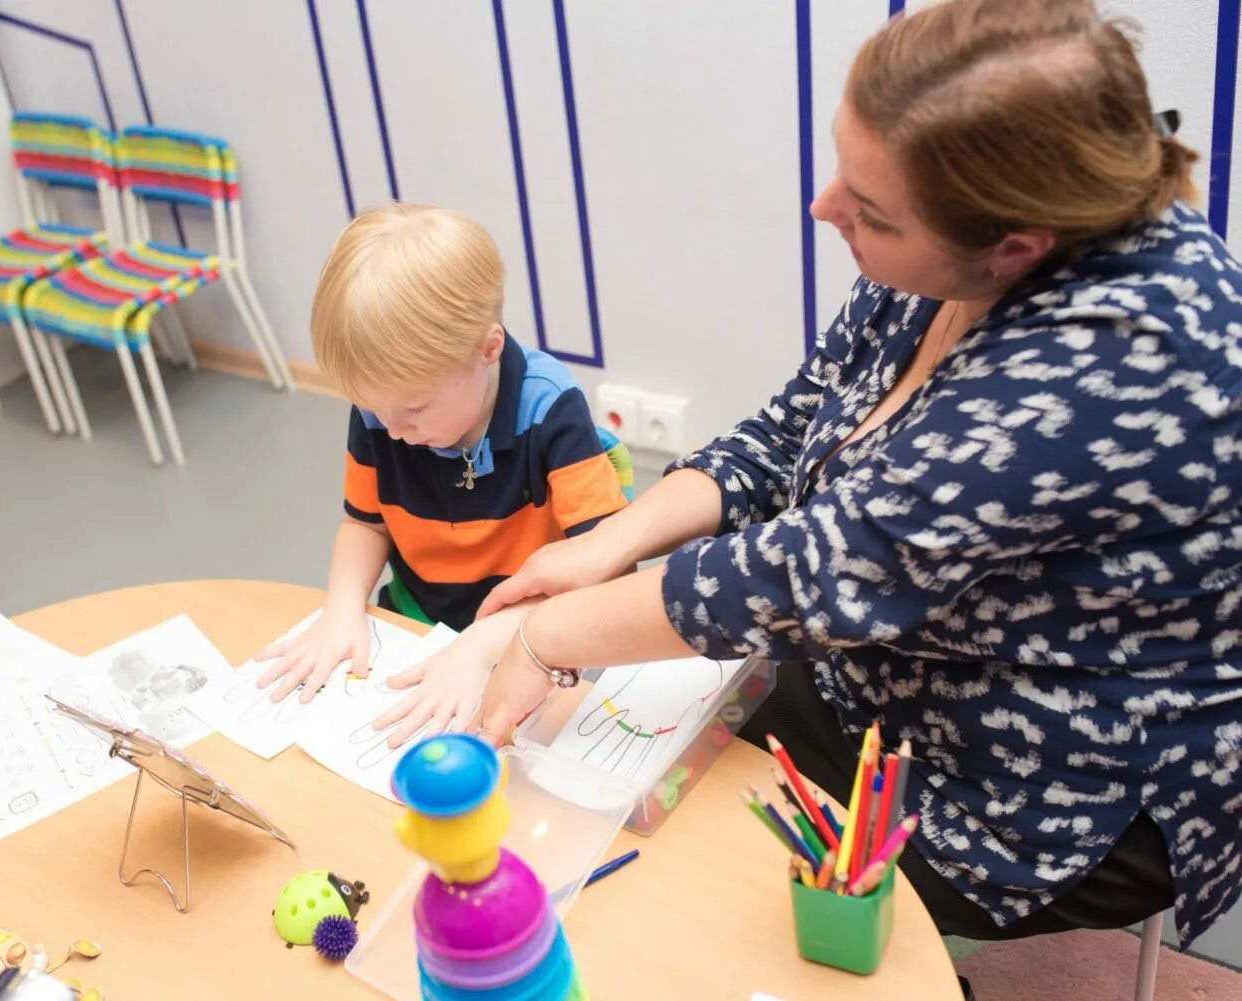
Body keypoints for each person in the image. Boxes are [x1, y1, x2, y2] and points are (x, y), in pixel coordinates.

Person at [471, 0, 1241, 949]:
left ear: (1016, 247)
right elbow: (794, 426)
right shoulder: (955, 256)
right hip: (888, 670)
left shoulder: (1117, 368)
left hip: (1046, 783)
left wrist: (552, 633)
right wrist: (606, 547)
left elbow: (815, 573)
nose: (824, 207)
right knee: (642, 783)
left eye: (869, 211)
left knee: (702, 899)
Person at [258, 204, 628, 746]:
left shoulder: (551, 410)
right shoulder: (383, 410)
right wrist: (340, 609)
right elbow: (365, 524)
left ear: (489, 348)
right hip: (414, 625)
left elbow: (605, 573)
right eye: (374, 410)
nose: (391, 428)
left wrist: (482, 647)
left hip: (525, 639)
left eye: (412, 411)